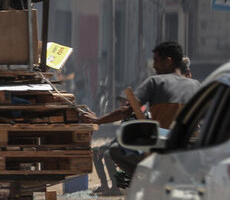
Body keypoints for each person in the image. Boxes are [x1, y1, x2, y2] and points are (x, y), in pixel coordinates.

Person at [82, 41, 201, 177]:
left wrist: (97, 120)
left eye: (156, 61)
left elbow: (125, 111)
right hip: (191, 147)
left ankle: (147, 179)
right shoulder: (196, 85)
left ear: (168, 61)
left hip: (164, 146)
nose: (154, 66)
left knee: (115, 150)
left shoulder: (155, 82)